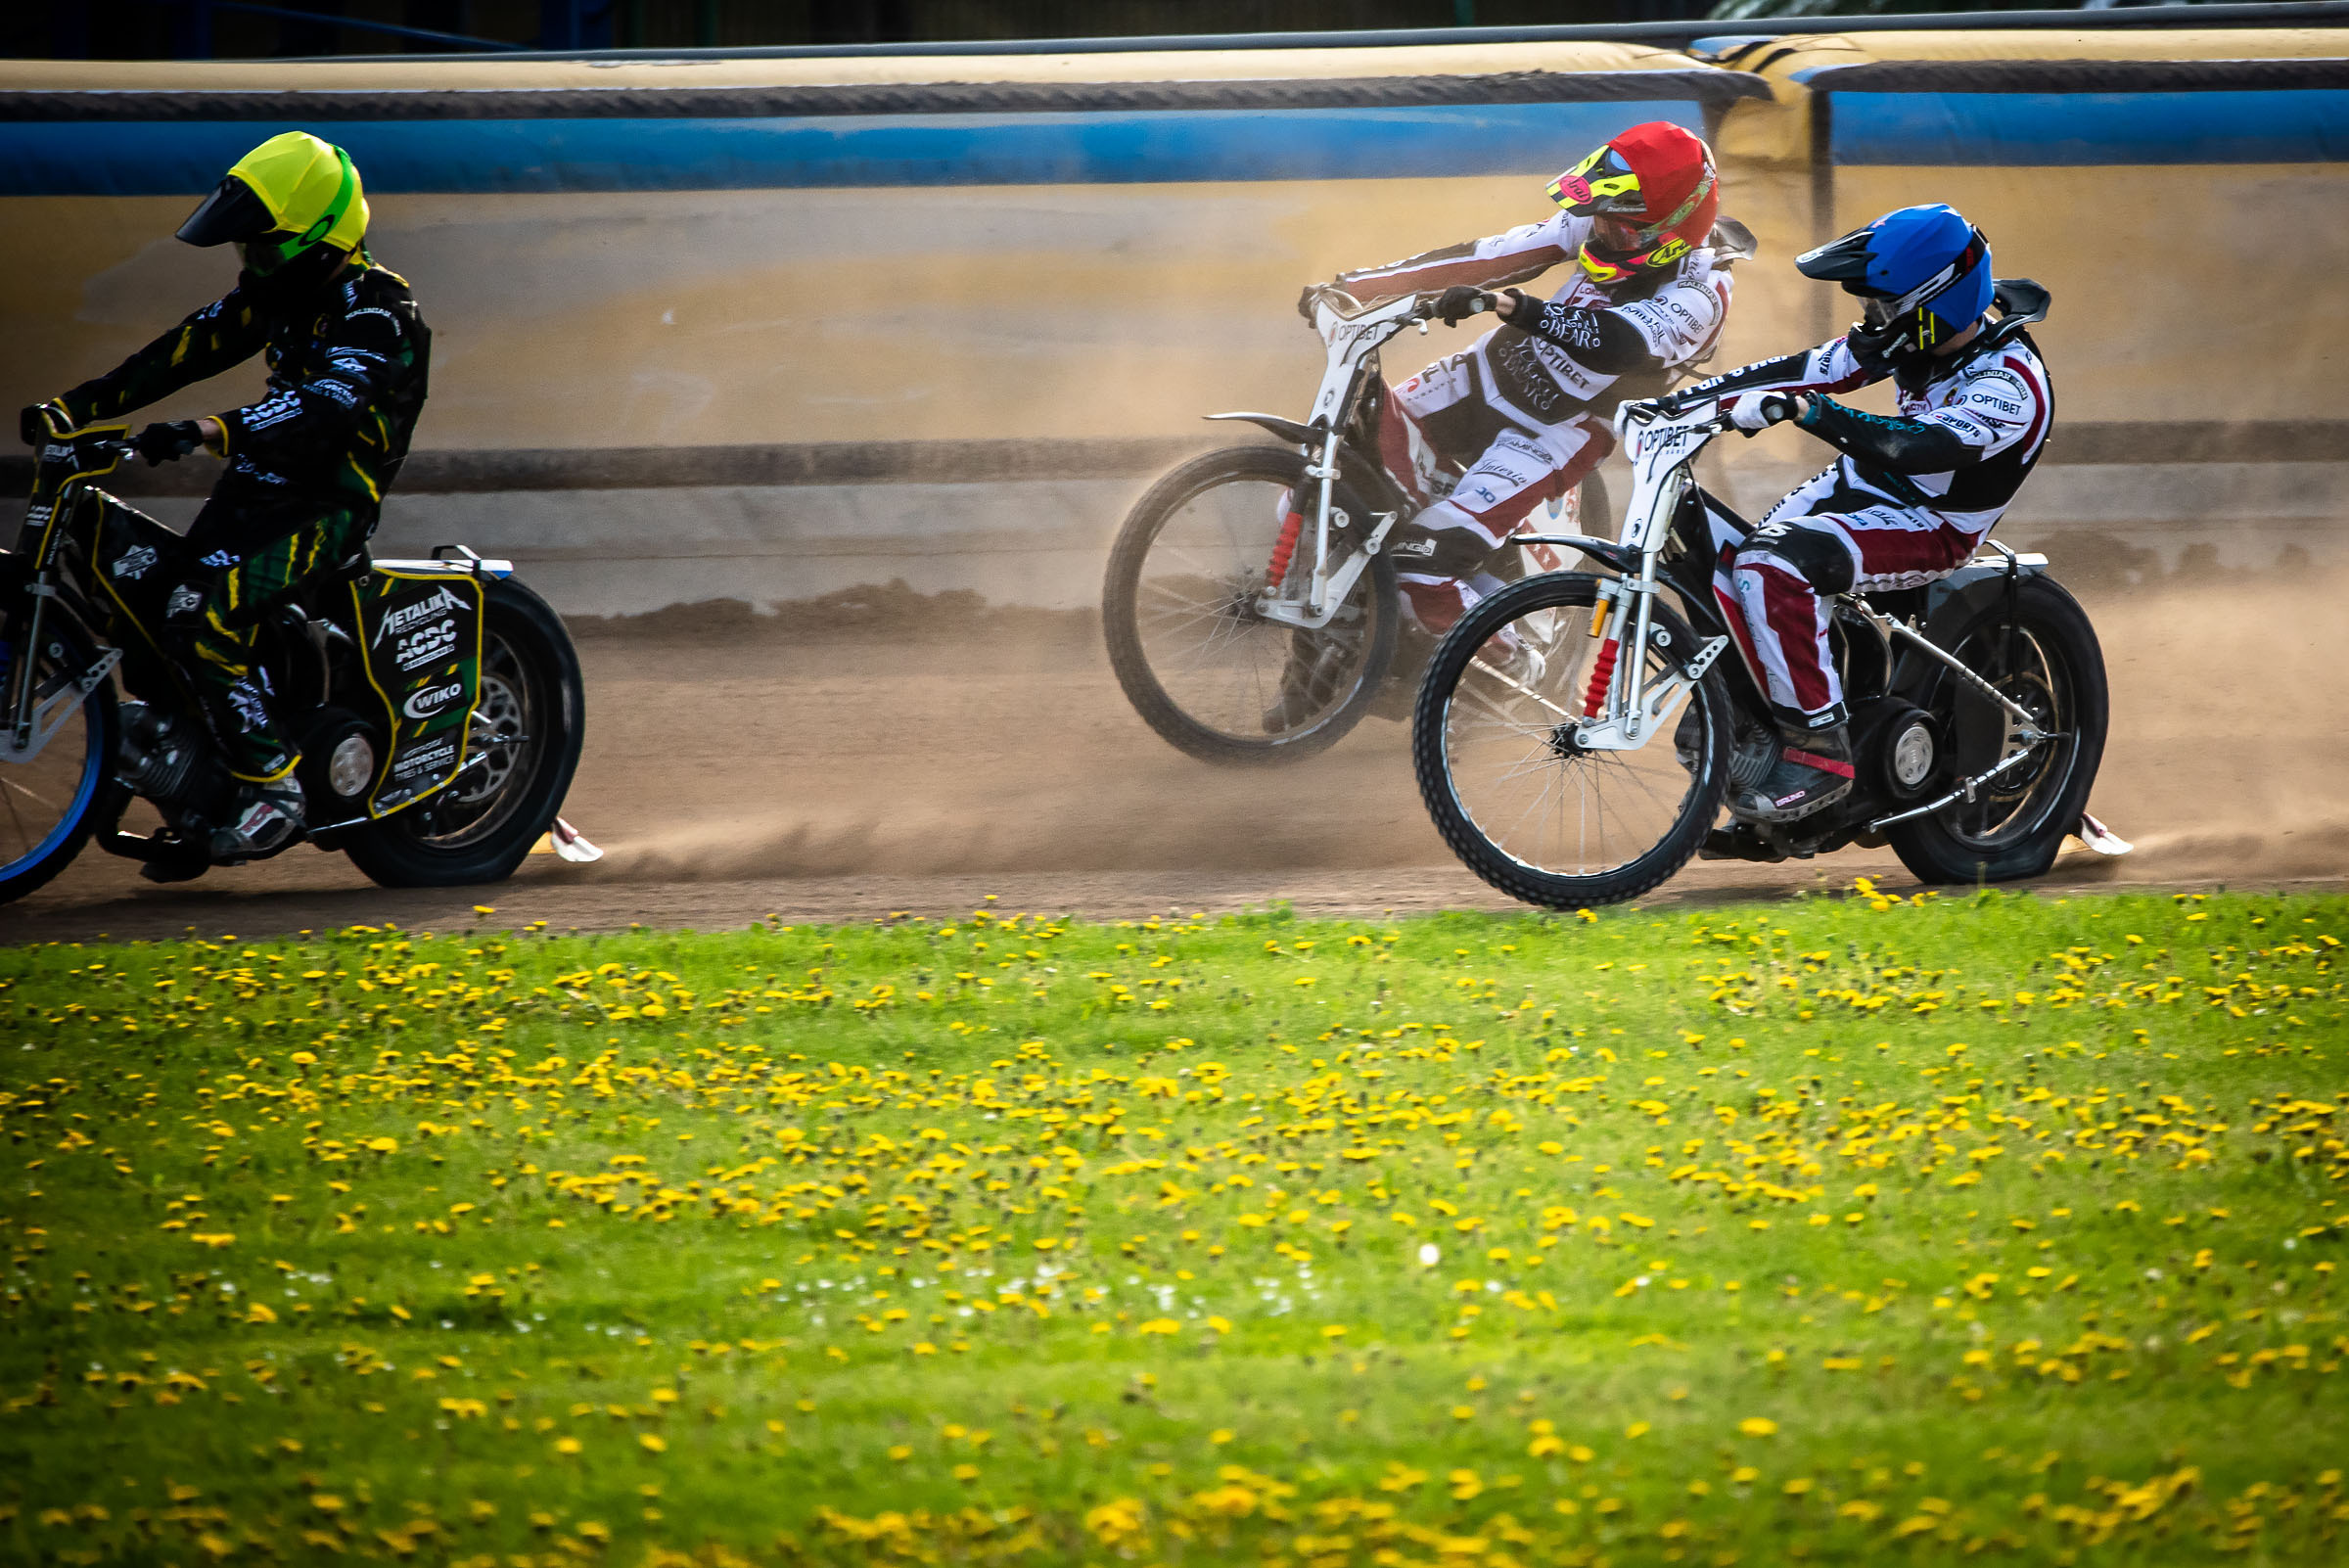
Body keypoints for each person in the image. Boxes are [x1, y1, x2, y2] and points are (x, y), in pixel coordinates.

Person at [20, 130, 431, 859]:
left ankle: (274, 786)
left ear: (322, 238)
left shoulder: (379, 313)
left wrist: (211, 429)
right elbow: (182, 352)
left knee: (198, 617)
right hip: (254, 490)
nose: (254, 263)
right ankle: (196, 766)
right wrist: (76, 408)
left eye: (266, 247)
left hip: (326, 508)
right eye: (248, 249)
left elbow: (324, 406)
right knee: (149, 607)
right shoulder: (273, 296)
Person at [1291, 119, 1745, 715]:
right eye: (1600, 216)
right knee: (1322, 489)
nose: (1601, 231)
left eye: (1620, 225)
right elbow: (1485, 260)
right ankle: (1310, 677)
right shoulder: (1603, 217)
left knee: (1421, 573)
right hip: (1481, 379)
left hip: (1557, 433)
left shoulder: (1705, 291)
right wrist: (1354, 287)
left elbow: (1615, 342)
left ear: (1669, 231)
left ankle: (1522, 674)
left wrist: (1516, 307)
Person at [1664, 203, 2051, 824]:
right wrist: (1677, 403)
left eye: (1882, 307)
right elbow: (1808, 370)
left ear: (1932, 304)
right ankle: (1750, 726)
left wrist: (1810, 414)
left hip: (1936, 524)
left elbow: (1918, 446)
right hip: (1869, 483)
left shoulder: (2010, 383)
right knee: (1733, 563)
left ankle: (1821, 753)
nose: (1870, 321)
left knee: (1773, 568)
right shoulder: (1917, 331)